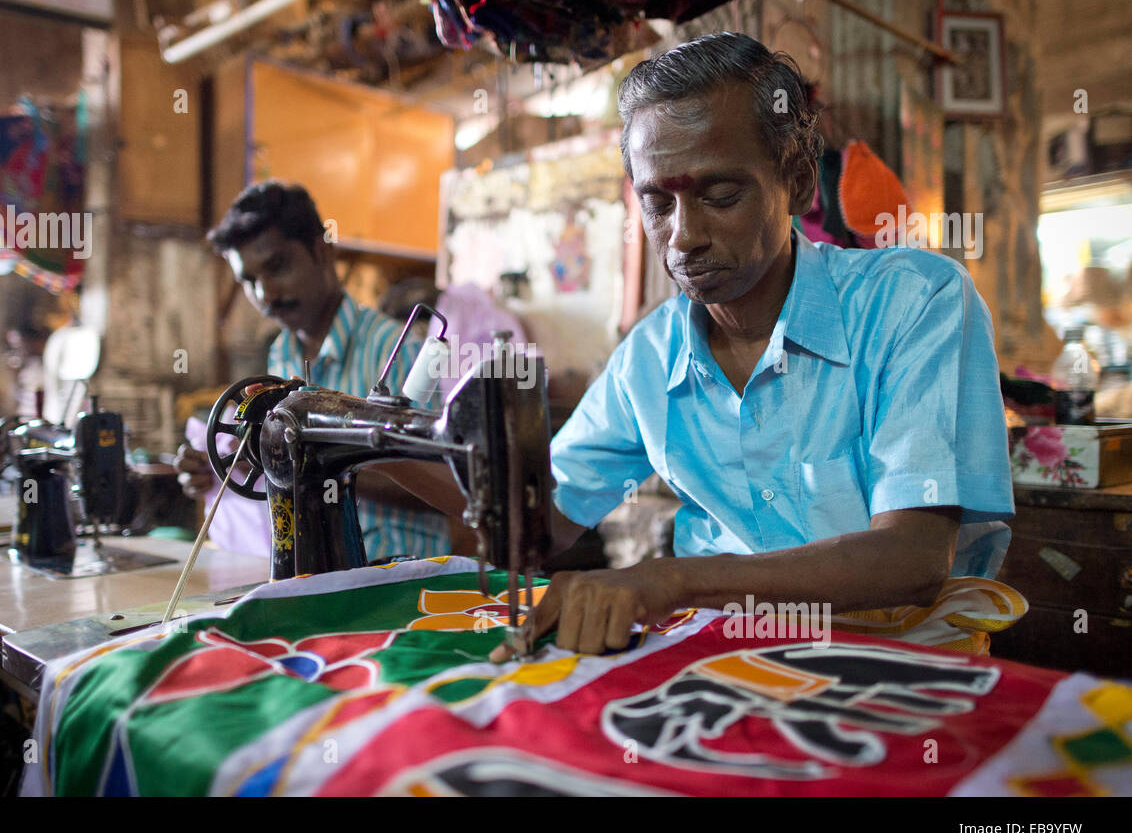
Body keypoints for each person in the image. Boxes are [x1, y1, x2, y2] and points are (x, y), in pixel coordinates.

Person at [387, 33, 1014, 658]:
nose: (683, 237)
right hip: (728, 665)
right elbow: (540, 524)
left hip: (910, 669)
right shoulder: (648, 360)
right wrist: (377, 451)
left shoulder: (916, 302)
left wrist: (674, 581)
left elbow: (911, 556)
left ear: (798, 184)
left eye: (720, 196)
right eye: (658, 203)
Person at [175, 180, 451, 562]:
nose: (266, 294)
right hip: (322, 572)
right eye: (250, 281)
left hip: (399, 572)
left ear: (322, 252)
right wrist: (224, 469)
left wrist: (302, 462)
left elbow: (448, 484)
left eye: (277, 266)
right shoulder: (281, 355)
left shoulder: (400, 350)